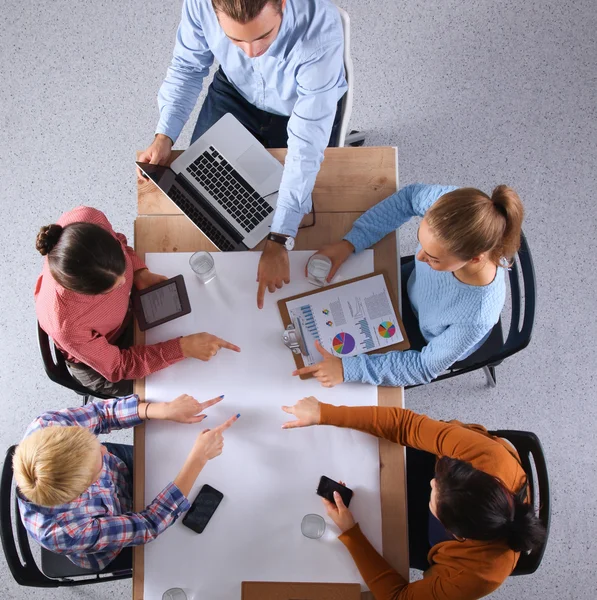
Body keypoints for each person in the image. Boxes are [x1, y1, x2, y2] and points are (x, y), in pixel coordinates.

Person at [138, 0, 348, 309]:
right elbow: (187, 67)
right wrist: (164, 135)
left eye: (264, 35)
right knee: (198, 188)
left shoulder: (319, 30)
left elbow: (304, 149)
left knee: (301, 218)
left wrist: (279, 238)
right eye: (235, 40)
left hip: (298, 106)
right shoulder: (200, 5)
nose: (251, 53)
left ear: (282, 5)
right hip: (235, 92)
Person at [281, 396, 546, 600]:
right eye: (440, 478)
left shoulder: (477, 575)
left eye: (434, 493)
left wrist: (351, 533)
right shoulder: (486, 457)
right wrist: (325, 412)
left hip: (431, 542)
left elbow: (397, 596)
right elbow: (405, 424)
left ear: (455, 533)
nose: (431, 482)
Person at [293, 183, 524, 387]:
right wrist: (350, 243)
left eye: (434, 258)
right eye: (421, 243)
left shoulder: (477, 315)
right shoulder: (451, 206)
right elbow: (410, 198)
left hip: (426, 337)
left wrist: (347, 370)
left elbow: (424, 367)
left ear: (474, 258)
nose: (420, 258)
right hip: (413, 289)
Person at [13, 393, 238, 571]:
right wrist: (198, 458)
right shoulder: (65, 533)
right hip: (114, 532)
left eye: (92, 441)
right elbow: (148, 525)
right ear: (83, 491)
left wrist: (160, 410)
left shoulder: (48, 427)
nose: (103, 447)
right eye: (98, 460)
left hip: (119, 469)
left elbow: (101, 415)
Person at [35, 206, 240, 396]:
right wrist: (182, 348)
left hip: (123, 318)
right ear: (88, 293)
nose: (125, 281)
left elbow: (120, 242)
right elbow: (118, 367)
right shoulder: (67, 324)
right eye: (114, 287)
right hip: (104, 361)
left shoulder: (87, 217)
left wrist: (139, 270)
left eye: (122, 270)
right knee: (172, 386)